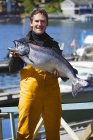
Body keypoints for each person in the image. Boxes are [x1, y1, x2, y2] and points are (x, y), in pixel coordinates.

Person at [9, 8, 62, 140]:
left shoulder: (54, 45)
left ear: (47, 24)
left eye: (43, 21)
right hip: (30, 94)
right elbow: (12, 69)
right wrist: (15, 58)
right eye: (37, 21)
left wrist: (59, 73)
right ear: (31, 23)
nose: (39, 24)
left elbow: (63, 74)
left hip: (52, 94)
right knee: (24, 132)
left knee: (54, 132)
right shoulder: (21, 44)